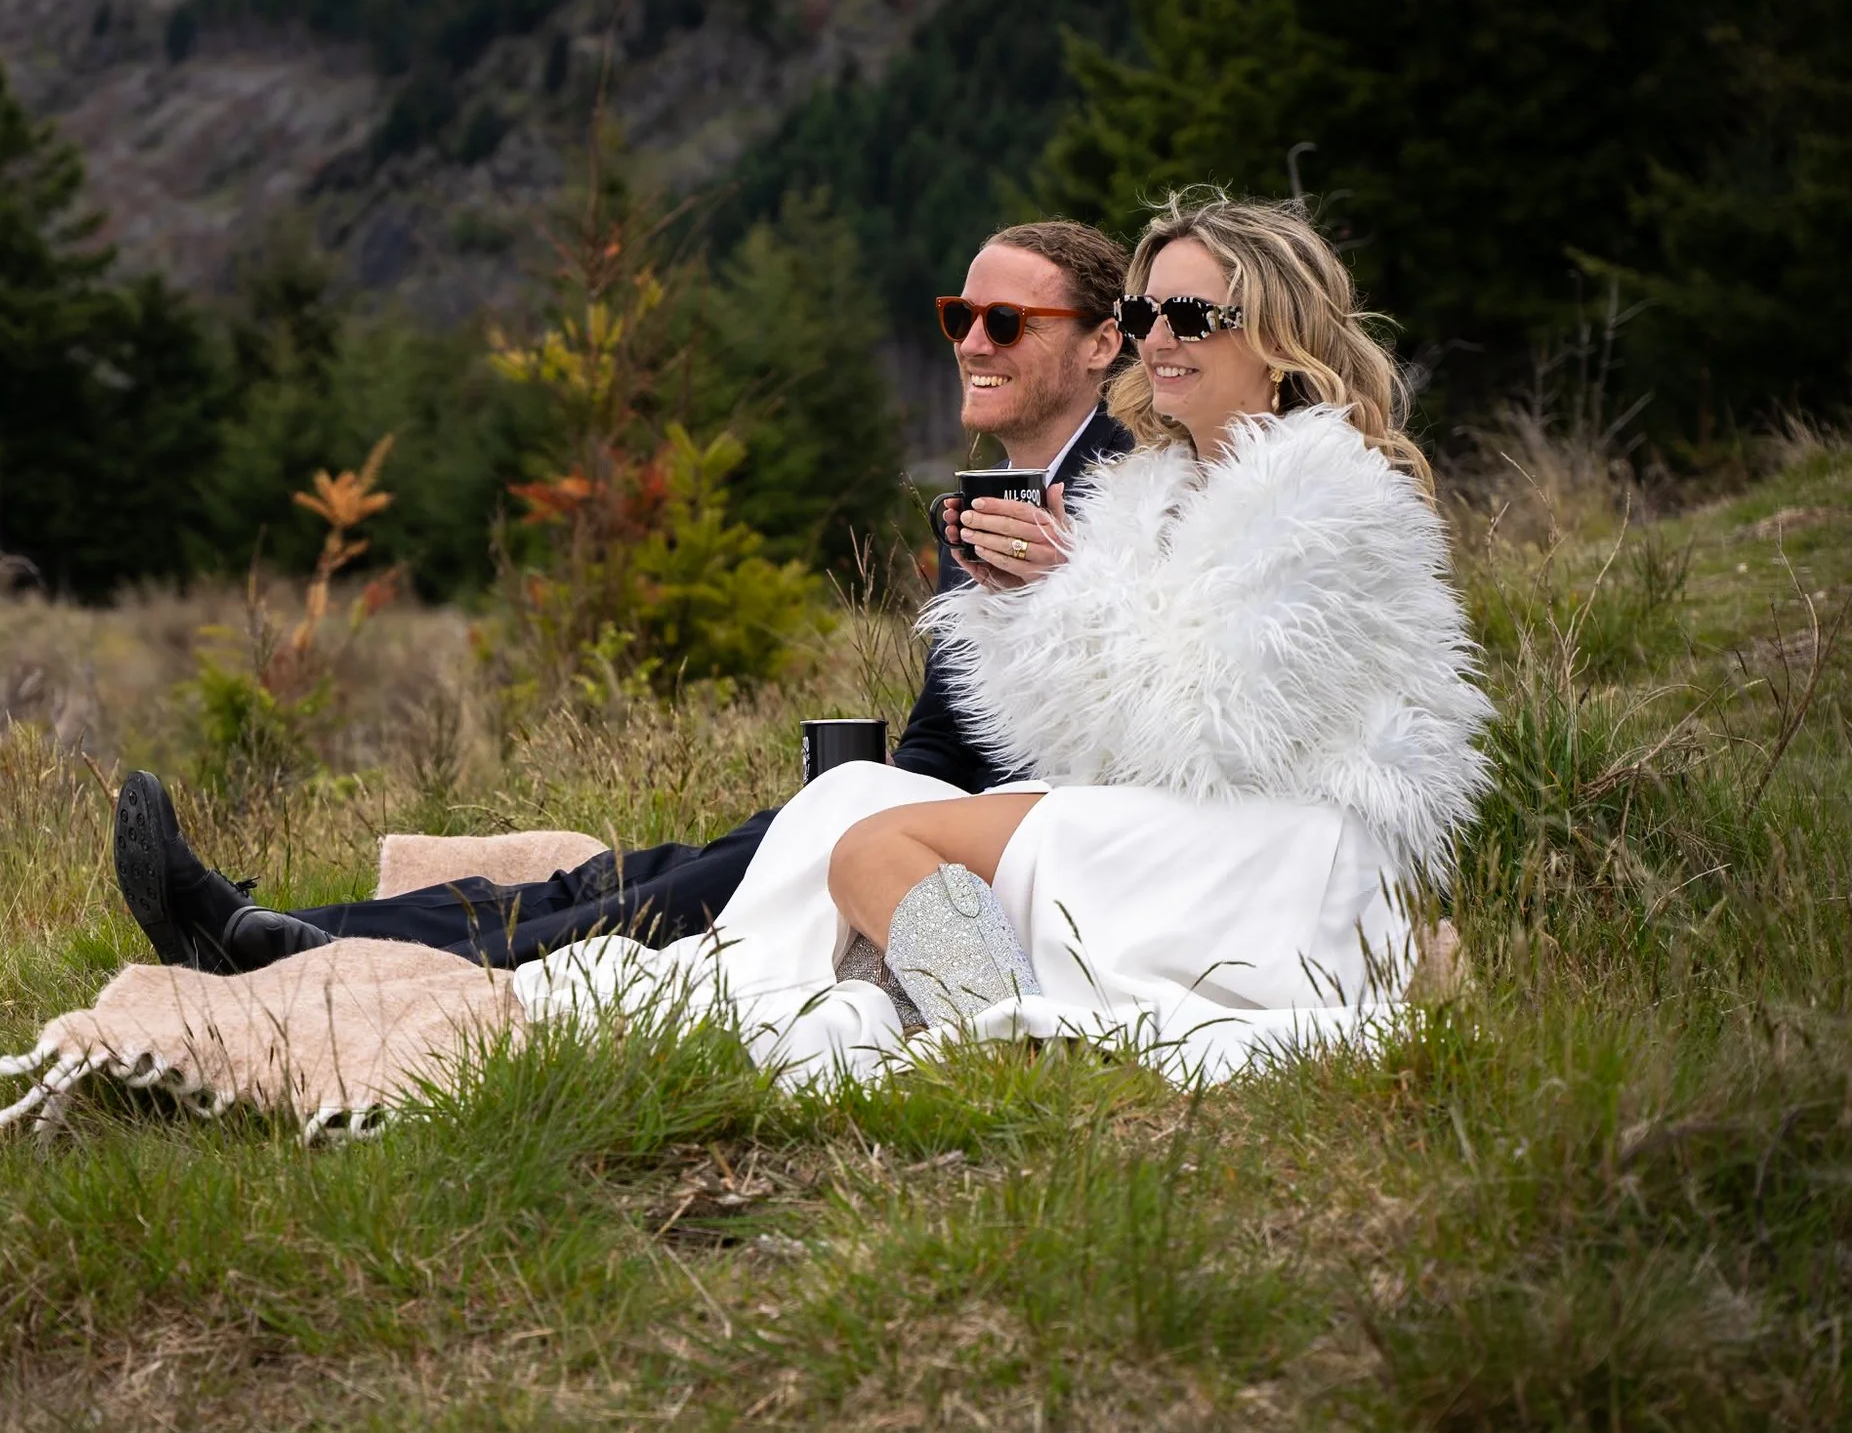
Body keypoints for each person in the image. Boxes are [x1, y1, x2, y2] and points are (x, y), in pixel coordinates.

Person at [511, 190, 1492, 1084]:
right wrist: (1010, 601)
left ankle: (1006, 1037)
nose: (1159, 337)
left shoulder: (1325, 492)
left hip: (1280, 847)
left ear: (1277, 331)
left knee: (874, 846)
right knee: (854, 797)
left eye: (1192, 315)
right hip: (1186, 823)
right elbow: (1072, 735)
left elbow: (1212, 733)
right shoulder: (1157, 487)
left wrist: (1063, 588)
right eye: (1147, 312)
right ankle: (987, 1012)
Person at [113, 219, 1136, 973]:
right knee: (623, 874)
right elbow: (947, 738)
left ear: (1099, 343)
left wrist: (1066, 580)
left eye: (1008, 319)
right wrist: (847, 793)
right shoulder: (986, 504)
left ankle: (289, 951)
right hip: (913, 812)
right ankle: (287, 927)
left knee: (656, 901)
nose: (972, 341)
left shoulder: (1137, 496)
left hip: (996, 851)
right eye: (961, 315)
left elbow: (1141, 718)